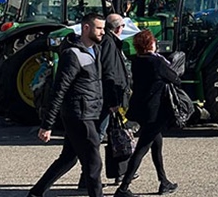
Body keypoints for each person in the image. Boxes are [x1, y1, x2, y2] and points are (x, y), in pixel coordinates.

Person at [28, 13, 107, 197]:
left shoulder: (96, 50)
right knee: (93, 162)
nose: (103, 32)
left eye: (103, 28)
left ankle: (35, 193)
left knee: (68, 158)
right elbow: (59, 90)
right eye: (99, 28)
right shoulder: (73, 55)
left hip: (90, 111)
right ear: (86, 28)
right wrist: (47, 125)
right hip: (79, 114)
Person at [114, 30, 179, 197]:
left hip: (142, 109)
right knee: (142, 149)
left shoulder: (137, 61)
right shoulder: (156, 62)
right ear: (151, 44)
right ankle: (123, 188)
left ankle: (164, 182)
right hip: (155, 111)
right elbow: (175, 78)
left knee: (156, 145)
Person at [98, 13, 132, 186]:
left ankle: (121, 172)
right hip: (110, 98)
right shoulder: (110, 44)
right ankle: (90, 177)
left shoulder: (109, 42)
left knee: (114, 135)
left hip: (110, 96)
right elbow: (110, 73)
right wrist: (113, 101)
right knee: (99, 136)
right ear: (119, 28)